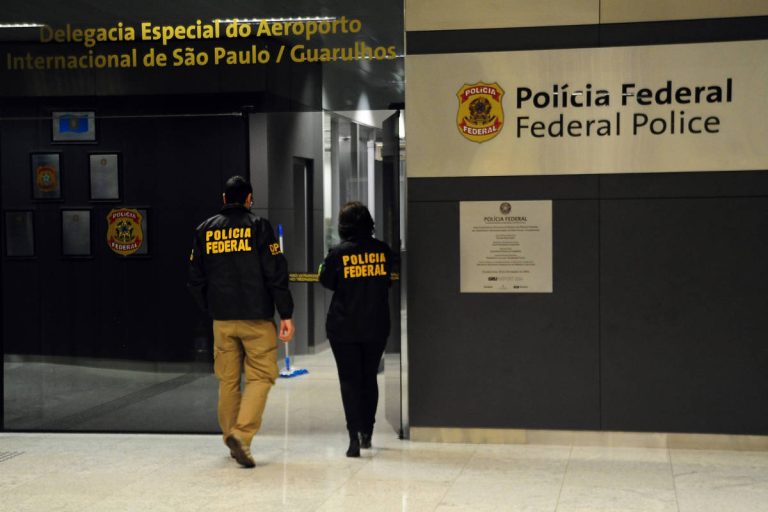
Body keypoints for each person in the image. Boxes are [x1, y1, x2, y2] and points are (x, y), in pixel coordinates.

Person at [187, 175, 295, 468]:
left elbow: (195, 279)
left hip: (222, 320)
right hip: (256, 318)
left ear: (224, 199)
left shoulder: (204, 230)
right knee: (261, 376)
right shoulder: (259, 227)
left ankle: (230, 438)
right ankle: (242, 436)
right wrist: (285, 313)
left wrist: (212, 308)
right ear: (249, 199)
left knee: (228, 380)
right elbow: (275, 272)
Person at [319, 201, 396, 457]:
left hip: (343, 327)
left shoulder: (337, 253)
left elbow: (326, 281)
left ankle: (352, 436)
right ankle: (367, 432)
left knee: (349, 379)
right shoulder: (383, 251)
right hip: (376, 325)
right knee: (369, 377)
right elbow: (389, 279)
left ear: (343, 226)